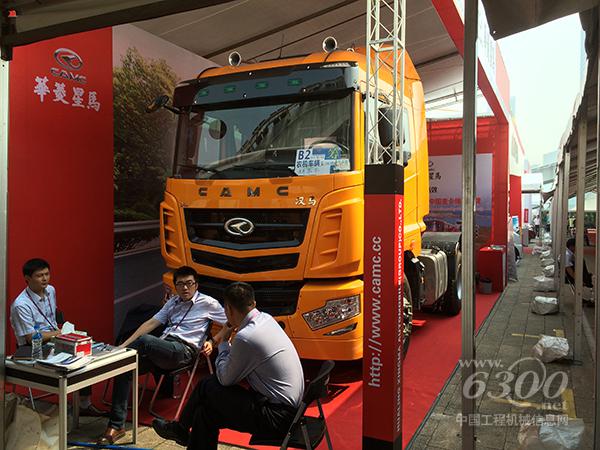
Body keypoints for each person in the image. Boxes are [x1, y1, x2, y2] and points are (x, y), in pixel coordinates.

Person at [152, 282, 305, 449]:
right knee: (205, 412)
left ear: (228, 309)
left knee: (207, 385)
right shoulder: (266, 319)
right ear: (253, 303)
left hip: (276, 417)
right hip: (290, 410)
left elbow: (225, 379)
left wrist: (224, 341)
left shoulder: (247, 336)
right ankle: (181, 429)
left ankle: (180, 428)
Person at [98, 265, 227, 445]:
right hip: (162, 348)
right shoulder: (172, 302)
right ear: (175, 286)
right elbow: (151, 323)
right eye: (180, 284)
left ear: (196, 285)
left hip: (183, 351)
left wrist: (213, 341)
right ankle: (116, 425)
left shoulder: (208, 303)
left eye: (189, 283)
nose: (185, 288)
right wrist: (123, 346)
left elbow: (231, 322)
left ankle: (107, 360)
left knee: (145, 342)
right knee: (125, 367)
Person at [9, 258, 105, 416]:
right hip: (32, 347)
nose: (44, 279)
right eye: (39, 275)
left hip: (55, 338)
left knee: (84, 345)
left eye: (47, 274)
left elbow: (52, 319)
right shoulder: (21, 305)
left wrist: (63, 334)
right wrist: (59, 334)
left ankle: (84, 403)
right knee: (74, 352)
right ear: (27, 278)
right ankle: (75, 402)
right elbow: (30, 337)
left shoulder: (50, 290)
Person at [565, 238, 594, 304]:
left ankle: (587, 278)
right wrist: (578, 280)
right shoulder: (567, 255)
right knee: (582, 261)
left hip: (570, 274)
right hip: (568, 277)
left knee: (581, 261)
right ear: (571, 246)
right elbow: (568, 269)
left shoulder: (568, 253)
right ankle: (586, 279)